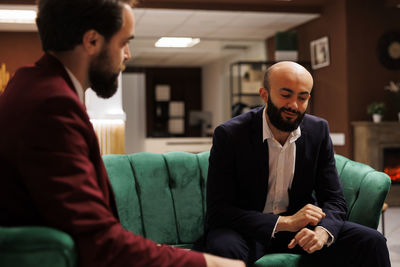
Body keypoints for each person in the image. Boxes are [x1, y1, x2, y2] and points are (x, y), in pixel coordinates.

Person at [0, 1, 245, 267]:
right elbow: (99, 242)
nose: (127, 54)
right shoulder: (53, 105)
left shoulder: (29, 84)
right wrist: (212, 264)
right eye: (123, 42)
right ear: (92, 40)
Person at [204, 61, 391, 267]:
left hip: (301, 230)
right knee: (222, 249)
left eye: (302, 97)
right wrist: (286, 222)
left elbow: (334, 200)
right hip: (246, 229)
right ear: (264, 95)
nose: (294, 105)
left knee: (372, 241)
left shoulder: (318, 130)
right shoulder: (230, 134)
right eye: (286, 95)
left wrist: (322, 232)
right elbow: (219, 211)